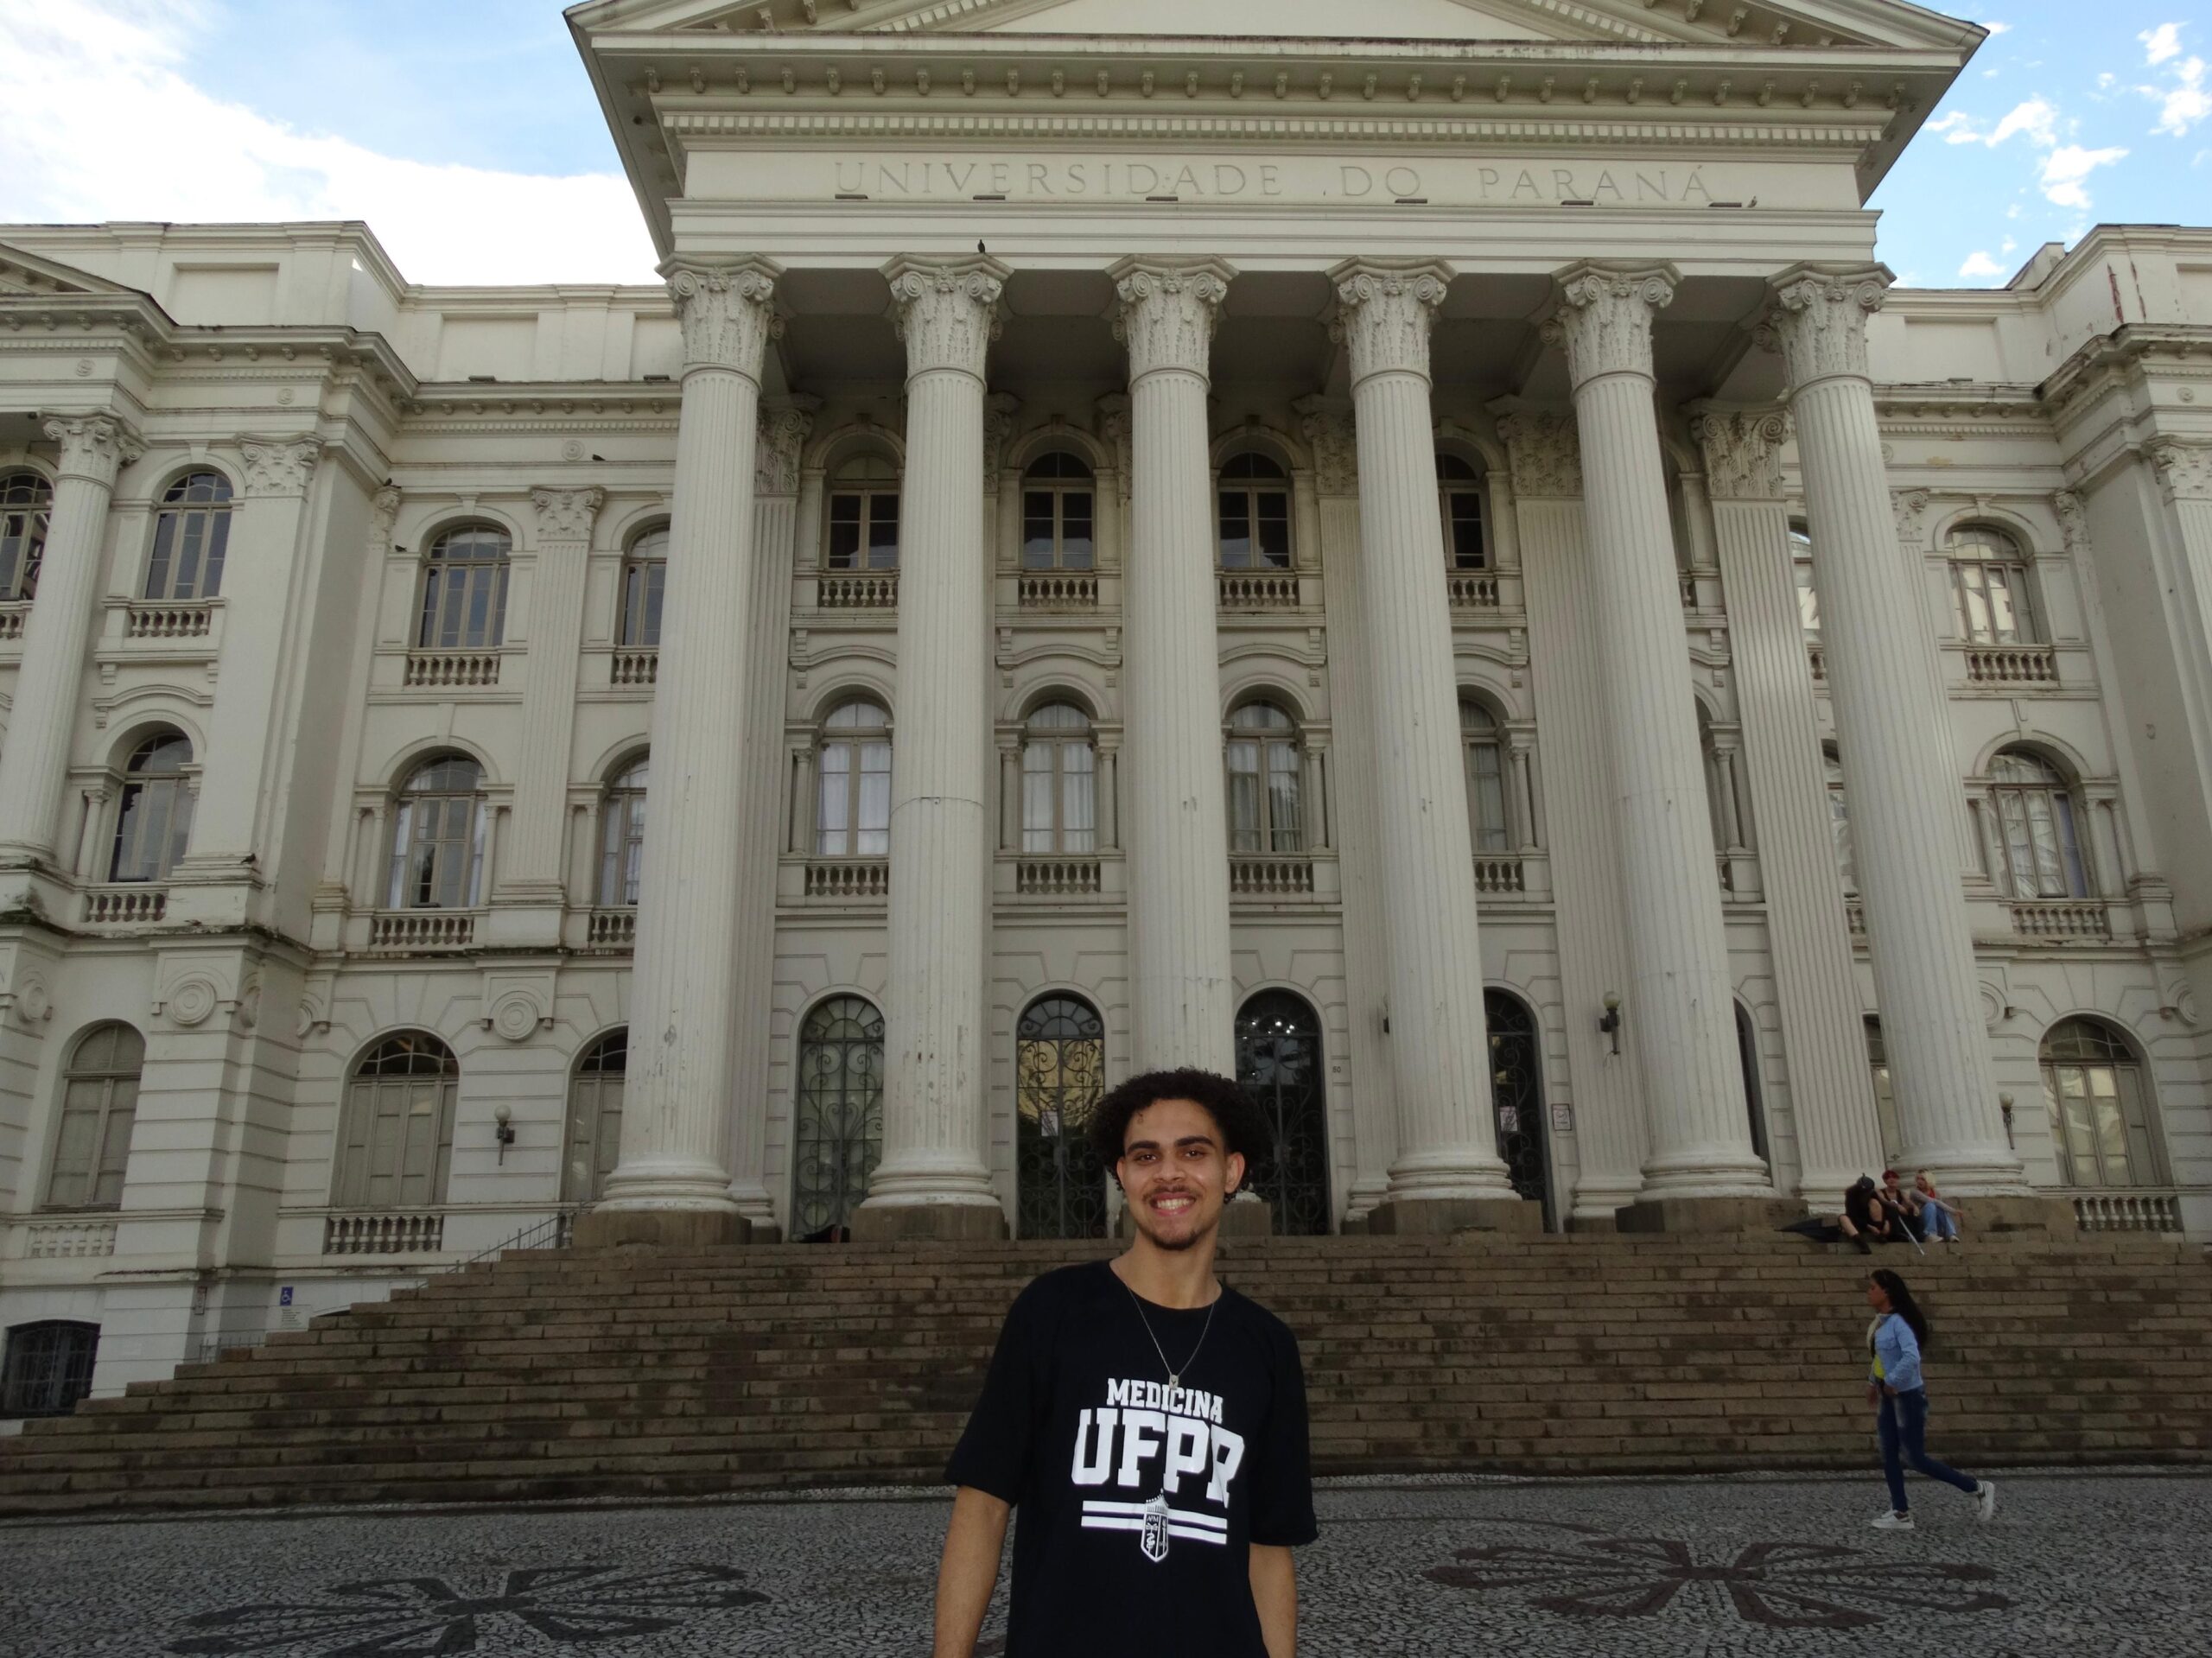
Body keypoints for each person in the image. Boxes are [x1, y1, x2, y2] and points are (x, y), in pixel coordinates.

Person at [932, 1068, 1318, 1658]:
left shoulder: (1265, 1346)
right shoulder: (1053, 1311)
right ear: (1122, 1174)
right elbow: (982, 1505)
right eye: (1145, 1155)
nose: (1169, 1173)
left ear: (1232, 1171)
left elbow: (1267, 1550)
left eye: (1193, 1151)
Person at [1863, 1267, 1998, 1531]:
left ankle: (1978, 1488)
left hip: (1908, 1397)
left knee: (1915, 1458)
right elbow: (1881, 1358)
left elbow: (1912, 1357)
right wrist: (1872, 1382)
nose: (1868, 1292)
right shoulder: (1884, 1324)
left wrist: (1892, 1381)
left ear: (1886, 1292)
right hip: (1889, 1398)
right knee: (1889, 1453)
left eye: (1872, 1287)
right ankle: (1900, 1512)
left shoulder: (1900, 1324)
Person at [1839, 1175, 1897, 1253]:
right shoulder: (1851, 1195)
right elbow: (1852, 1215)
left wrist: (1886, 1221)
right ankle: (1862, 1244)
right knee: (1843, 1218)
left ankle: (1879, 1234)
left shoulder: (1872, 1194)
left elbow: (1884, 1207)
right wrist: (1869, 1227)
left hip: (1871, 1221)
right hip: (1857, 1221)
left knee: (1874, 1203)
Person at [1915, 1172, 1961, 1244]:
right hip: (1919, 1221)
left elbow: (1940, 1206)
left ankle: (1951, 1234)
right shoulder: (1915, 1192)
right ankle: (1930, 1234)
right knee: (1931, 1205)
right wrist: (1953, 1211)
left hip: (1936, 1224)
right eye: (1917, 1179)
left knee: (1940, 1209)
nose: (1919, 1181)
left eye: (1922, 1179)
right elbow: (1935, 1201)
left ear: (1928, 1180)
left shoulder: (1936, 1193)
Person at [1879, 1170, 1925, 1241]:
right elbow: (1884, 1201)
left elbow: (1908, 1201)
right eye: (1888, 1178)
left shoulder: (1901, 1192)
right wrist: (1897, 1205)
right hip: (1886, 1215)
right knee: (1893, 1211)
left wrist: (1915, 1207)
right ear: (1885, 1181)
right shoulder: (1880, 1191)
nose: (1892, 1179)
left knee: (1912, 1211)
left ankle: (1919, 1234)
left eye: (1894, 1177)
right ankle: (1895, 1235)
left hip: (1898, 1214)